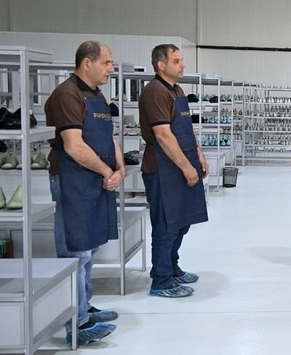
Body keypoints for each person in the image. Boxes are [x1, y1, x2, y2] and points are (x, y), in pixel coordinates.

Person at [45, 41, 123, 345]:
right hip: (73, 179)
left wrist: (120, 168)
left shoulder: (96, 95)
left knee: (89, 249)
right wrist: (106, 171)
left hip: (95, 178)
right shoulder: (67, 94)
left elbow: (109, 137)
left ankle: (84, 308)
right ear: (86, 63)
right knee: (75, 250)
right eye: (106, 62)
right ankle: (75, 325)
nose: (111, 69)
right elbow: (74, 146)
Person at [139, 44, 209, 298]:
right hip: (163, 169)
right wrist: (186, 167)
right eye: (177, 61)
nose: (183, 65)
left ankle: (171, 267)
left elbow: (186, 129)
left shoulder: (176, 90)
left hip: (182, 163)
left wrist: (199, 155)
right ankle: (161, 280)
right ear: (161, 65)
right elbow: (163, 136)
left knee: (182, 222)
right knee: (166, 225)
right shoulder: (155, 92)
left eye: (182, 60)